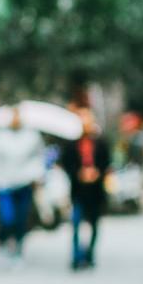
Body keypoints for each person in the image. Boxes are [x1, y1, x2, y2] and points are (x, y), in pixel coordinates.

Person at [0, 106, 44, 264]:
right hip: (4, 184)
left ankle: (18, 250)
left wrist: (37, 177)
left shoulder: (32, 136)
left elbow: (39, 158)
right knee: (7, 218)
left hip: (24, 183)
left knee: (21, 219)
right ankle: (4, 246)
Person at [59, 108, 110, 270]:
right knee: (75, 224)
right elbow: (66, 164)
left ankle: (89, 254)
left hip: (95, 191)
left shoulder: (101, 143)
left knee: (94, 225)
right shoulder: (71, 145)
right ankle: (76, 257)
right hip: (78, 190)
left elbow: (106, 163)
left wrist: (97, 173)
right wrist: (78, 173)